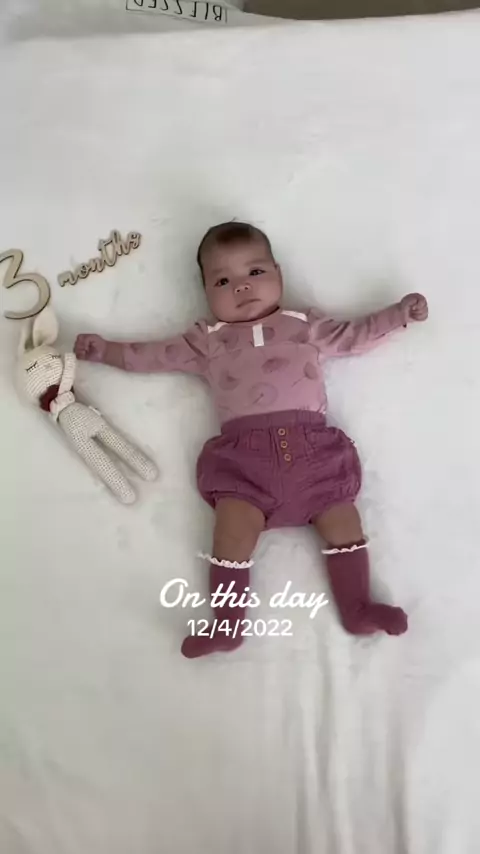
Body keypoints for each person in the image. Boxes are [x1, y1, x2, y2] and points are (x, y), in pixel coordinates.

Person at [74, 221, 428, 658]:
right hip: (246, 467)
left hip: (313, 456)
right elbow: (152, 355)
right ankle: (227, 626)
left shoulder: (304, 325)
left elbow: (355, 336)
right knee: (231, 532)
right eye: (223, 281)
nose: (241, 287)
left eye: (255, 272)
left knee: (344, 522)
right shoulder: (207, 340)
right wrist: (105, 350)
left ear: (279, 274)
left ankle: (358, 608)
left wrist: (399, 315)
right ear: (205, 291)